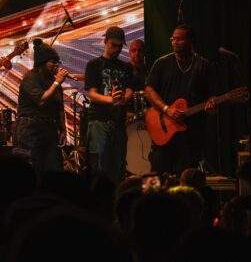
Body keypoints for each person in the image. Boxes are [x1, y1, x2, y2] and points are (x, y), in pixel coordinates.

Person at [144, 25, 217, 175]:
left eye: (179, 39)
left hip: (191, 133)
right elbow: (149, 90)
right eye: (173, 39)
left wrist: (212, 108)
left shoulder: (203, 65)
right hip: (164, 130)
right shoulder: (162, 63)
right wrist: (166, 109)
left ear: (190, 41)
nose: (174, 42)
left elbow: (211, 96)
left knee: (186, 175)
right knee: (158, 175)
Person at [84, 26, 135, 185]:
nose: (117, 49)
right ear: (105, 42)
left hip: (118, 121)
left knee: (118, 165)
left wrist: (124, 98)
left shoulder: (126, 67)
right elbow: (92, 94)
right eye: (113, 45)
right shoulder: (94, 65)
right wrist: (111, 100)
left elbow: (130, 89)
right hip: (99, 120)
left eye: (120, 46)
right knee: (100, 166)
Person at [14, 39, 68, 177]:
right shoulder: (30, 77)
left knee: (54, 170)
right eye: (53, 62)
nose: (56, 65)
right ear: (42, 63)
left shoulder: (54, 81)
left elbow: (59, 107)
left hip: (50, 129)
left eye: (58, 62)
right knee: (32, 170)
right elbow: (42, 100)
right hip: (30, 129)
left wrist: (63, 129)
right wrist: (57, 82)